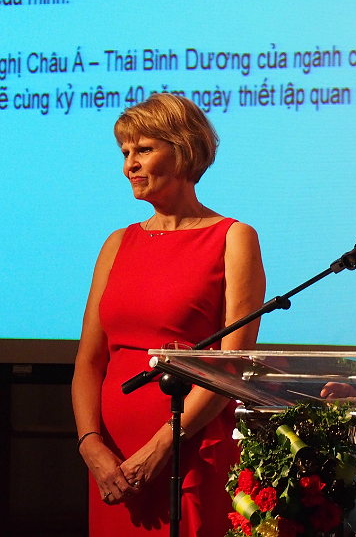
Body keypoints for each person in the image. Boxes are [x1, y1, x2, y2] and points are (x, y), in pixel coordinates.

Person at [72, 93, 266, 536]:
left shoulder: (233, 238)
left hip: (186, 453)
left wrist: (162, 447)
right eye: (125, 153)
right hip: (113, 465)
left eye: (143, 150)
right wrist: (91, 447)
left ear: (182, 150)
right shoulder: (117, 243)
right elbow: (88, 362)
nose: (129, 165)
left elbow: (231, 365)